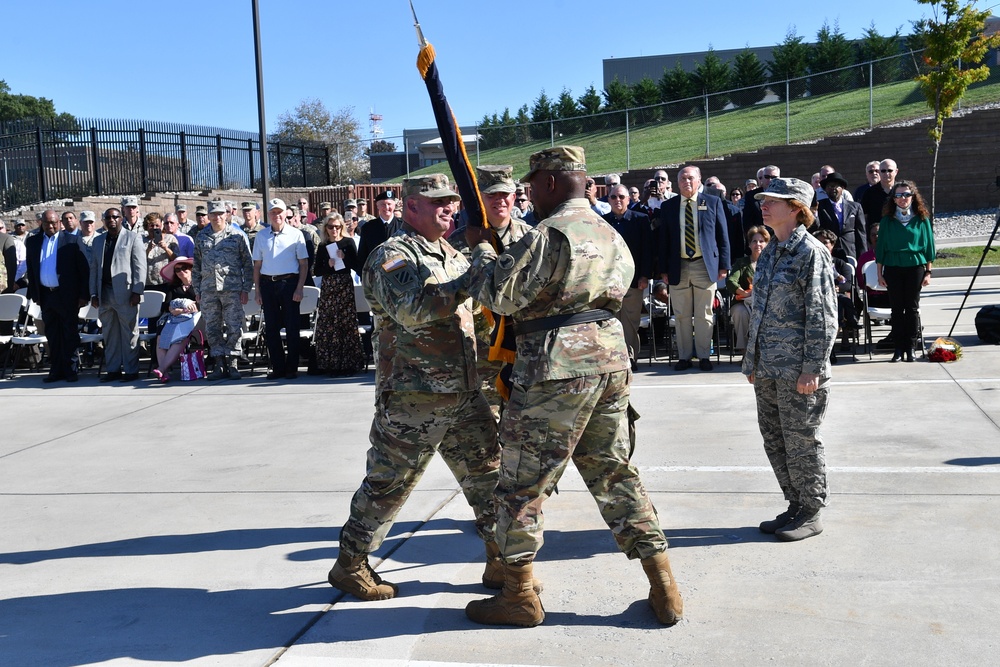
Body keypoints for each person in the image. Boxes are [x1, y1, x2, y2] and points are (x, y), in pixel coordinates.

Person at [463, 146, 683, 628]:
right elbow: (621, 290)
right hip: (610, 358)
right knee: (615, 472)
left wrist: (481, 247)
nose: (528, 194)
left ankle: (519, 595)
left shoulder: (548, 233)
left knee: (521, 484)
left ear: (549, 182)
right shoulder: (611, 232)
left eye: (531, 185)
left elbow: (501, 295)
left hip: (556, 365)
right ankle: (664, 586)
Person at [327, 174, 502, 602]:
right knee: (389, 484)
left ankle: (503, 560)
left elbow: (477, 318)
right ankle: (350, 564)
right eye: (437, 201)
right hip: (414, 396)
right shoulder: (392, 255)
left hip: (464, 390)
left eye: (452, 201)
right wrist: (472, 277)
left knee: (492, 479)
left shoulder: (453, 255)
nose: (449, 207)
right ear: (410, 208)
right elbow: (413, 308)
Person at [743, 177, 838, 542]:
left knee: (802, 440)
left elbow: (823, 315)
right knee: (775, 439)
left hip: (798, 370)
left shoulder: (810, 252)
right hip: (768, 367)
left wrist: (812, 368)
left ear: (797, 208)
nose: (764, 205)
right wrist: (751, 362)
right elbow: (762, 311)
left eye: (773, 200)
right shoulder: (771, 250)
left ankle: (811, 511)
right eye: (764, 199)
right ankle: (795, 504)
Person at [657, 165, 731, 372]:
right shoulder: (669, 206)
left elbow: (722, 235)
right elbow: (664, 240)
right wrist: (663, 268)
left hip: (704, 265)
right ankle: (684, 356)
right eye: (682, 179)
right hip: (678, 265)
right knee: (680, 315)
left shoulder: (713, 202)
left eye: (690, 178)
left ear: (699, 180)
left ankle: (704, 356)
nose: (686, 182)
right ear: (677, 182)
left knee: (704, 313)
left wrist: (724, 265)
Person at [25, 210, 90, 383]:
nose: (51, 226)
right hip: (46, 295)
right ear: (42, 224)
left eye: (54, 222)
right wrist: (35, 294)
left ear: (60, 223)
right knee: (52, 334)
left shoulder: (72, 240)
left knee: (69, 333)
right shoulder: (32, 242)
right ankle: (56, 370)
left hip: (67, 295)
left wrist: (84, 295)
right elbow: (31, 270)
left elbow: (84, 269)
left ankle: (70, 369)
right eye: (47, 223)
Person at [193, 200, 254, 381]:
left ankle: (233, 362)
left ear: (226, 214)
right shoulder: (201, 237)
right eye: (213, 214)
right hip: (209, 290)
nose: (217, 217)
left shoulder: (237, 235)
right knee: (212, 327)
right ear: (209, 216)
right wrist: (198, 289)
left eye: (221, 213)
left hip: (232, 289)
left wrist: (245, 288)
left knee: (235, 326)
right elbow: (196, 266)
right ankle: (219, 363)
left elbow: (248, 265)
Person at [876, 180, 935, 363]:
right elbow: (881, 248)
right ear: (893, 199)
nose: (903, 199)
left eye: (907, 195)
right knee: (896, 309)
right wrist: (879, 273)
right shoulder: (887, 220)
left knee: (911, 308)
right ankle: (898, 348)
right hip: (893, 267)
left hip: (915, 267)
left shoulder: (922, 219)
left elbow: (929, 247)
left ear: (913, 196)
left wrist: (928, 272)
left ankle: (911, 347)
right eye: (899, 195)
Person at [252, 198, 309, 380]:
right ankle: (277, 367)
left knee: (292, 327)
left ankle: (292, 367)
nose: (276, 215)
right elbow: (257, 266)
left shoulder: (296, 234)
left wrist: (299, 288)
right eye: (273, 212)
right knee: (272, 329)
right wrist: (258, 290)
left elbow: (304, 264)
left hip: (289, 283)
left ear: (286, 214)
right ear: (268, 215)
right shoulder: (261, 236)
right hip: (268, 284)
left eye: (280, 212)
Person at [90, 207, 146, 382]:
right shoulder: (98, 241)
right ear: (104, 221)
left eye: (115, 217)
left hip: (126, 294)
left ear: (122, 219)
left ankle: (131, 370)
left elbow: (140, 267)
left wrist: (137, 291)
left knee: (129, 333)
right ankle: (113, 370)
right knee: (109, 333)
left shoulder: (132, 237)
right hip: (104, 293)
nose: (111, 220)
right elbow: (93, 269)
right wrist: (93, 293)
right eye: (108, 217)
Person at [602, 184, 653, 370]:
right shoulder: (602, 221)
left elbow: (647, 250)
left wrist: (645, 276)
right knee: (612, 322)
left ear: (628, 199)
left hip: (633, 280)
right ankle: (616, 358)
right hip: (610, 282)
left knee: (631, 323)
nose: (618, 200)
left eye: (621, 197)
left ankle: (630, 357)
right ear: (608, 200)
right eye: (614, 197)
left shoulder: (640, 220)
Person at [312, 212, 365, 376]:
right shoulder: (323, 245)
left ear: (342, 227)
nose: (334, 230)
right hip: (329, 287)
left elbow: (357, 266)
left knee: (346, 323)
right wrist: (328, 265)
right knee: (329, 324)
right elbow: (317, 270)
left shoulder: (348, 242)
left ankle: (348, 363)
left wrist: (345, 258)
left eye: (337, 227)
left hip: (344, 285)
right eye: (330, 227)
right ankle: (331, 364)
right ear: (326, 228)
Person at [727, 226, 769, 354]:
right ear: (749, 245)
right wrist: (743, 293)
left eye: (761, 241)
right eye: (754, 241)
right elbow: (731, 281)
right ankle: (746, 352)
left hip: (766, 303)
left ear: (767, 244)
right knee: (740, 312)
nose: (758, 244)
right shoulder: (741, 263)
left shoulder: (772, 262)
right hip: (743, 303)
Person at [816, 172, 867, 262]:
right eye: (830, 186)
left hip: (850, 251)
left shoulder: (855, 207)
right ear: (825, 190)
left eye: (836, 186)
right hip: (828, 252)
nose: (833, 189)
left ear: (842, 188)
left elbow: (861, 233)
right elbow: (816, 227)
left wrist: (863, 257)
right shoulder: (820, 206)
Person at [152, 296, 198, 383]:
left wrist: (183, 311)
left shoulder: (195, 287)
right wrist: (174, 310)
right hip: (171, 318)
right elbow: (166, 306)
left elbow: (200, 304)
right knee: (160, 337)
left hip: (190, 320)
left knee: (181, 338)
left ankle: (162, 369)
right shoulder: (174, 287)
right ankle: (163, 372)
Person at [141, 212, 179, 288]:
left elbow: (176, 259)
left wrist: (166, 248)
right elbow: (139, 260)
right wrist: (148, 249)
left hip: (165, 281)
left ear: (161, 226)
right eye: (151, 225)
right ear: (147, 226)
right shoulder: (141, 240)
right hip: (147, 282)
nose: (154, 228)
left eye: (157, 225)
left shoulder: (170, 239)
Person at [861, 159, 897, 226]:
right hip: (877, 234)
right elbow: (864, 216)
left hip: (898, 231)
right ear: (879, 172)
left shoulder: (901, 191)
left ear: (896, 171)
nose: (886, 173)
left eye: (890, 170)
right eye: (883, 171)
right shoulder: (869, 193)